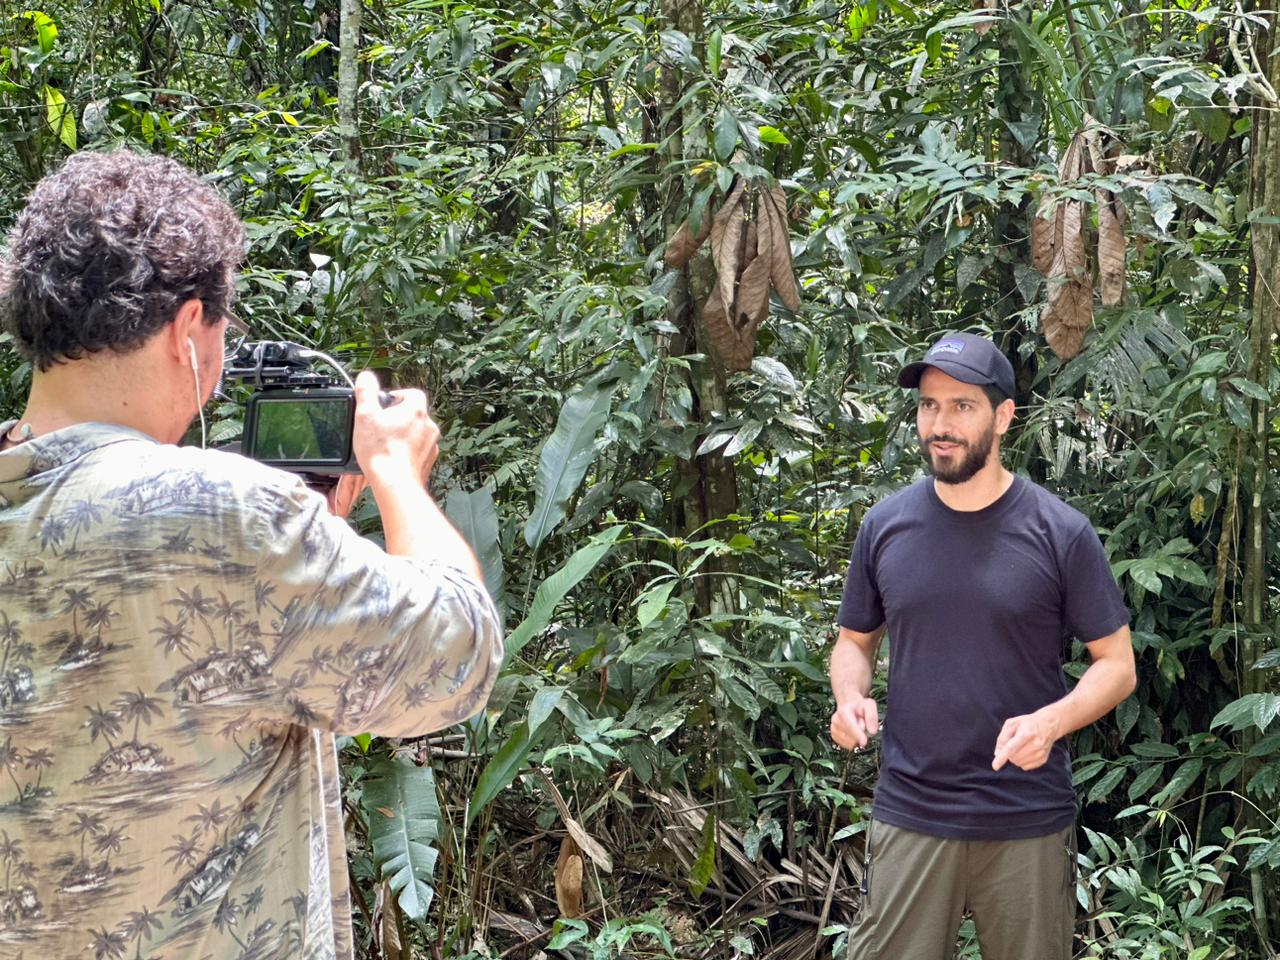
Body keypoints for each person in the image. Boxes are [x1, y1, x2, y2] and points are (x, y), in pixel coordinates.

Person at [0, 151, 504, 959]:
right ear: (186, 330)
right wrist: (395, 472)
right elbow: (457, 654)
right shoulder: (221, 514)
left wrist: (306, 536)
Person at [829, 331, 1136, 960]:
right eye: (928, 405)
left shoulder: (1061, 533)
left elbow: (1118, 666)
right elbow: (853, 642)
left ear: (1002, 417)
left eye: (961, 406)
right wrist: (848, 695)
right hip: (912, 808)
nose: (940, 424)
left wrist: (1051, 724)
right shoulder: (885, 526)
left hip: (1024, 814)